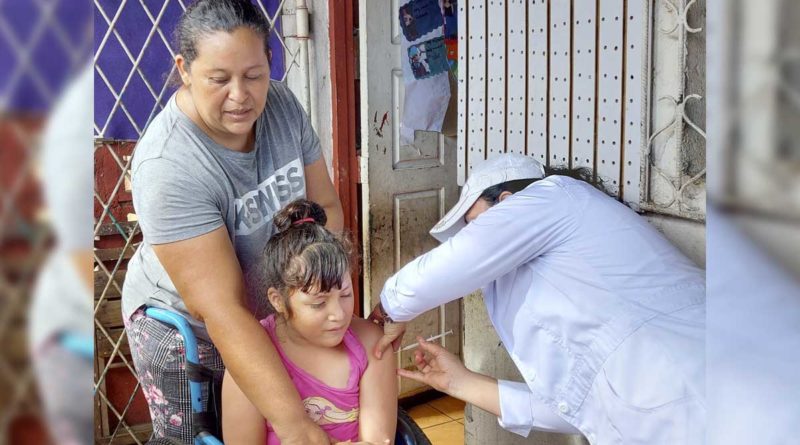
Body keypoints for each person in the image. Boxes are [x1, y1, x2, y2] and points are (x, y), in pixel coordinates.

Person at [121, 1, 343, 443]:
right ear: (185, 69)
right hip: (188, 326)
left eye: (254, 75)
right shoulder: (169, 166)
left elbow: (327, 211)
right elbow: (221, 311)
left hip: (272, 306)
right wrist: (296, 426)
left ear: (269, 63)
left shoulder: (281, 103)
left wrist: (322, 301)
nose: (240, 95)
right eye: (219, 79)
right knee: (203, 437)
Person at [369, 153, 705, 444]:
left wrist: (388, 310)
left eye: (473, 222)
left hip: (695, 380)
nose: (472, 234)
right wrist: (461, 383)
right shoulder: (564, 269)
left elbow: (468, 253)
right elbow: (579, 403)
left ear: (505, 201)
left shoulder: (554, 196)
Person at [222, 200, 397, 445]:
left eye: (345, 295)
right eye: (318, 303)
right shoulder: (251, 358)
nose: (338, 314)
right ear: (278, 300)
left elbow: (379, 440)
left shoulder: (371, 345)